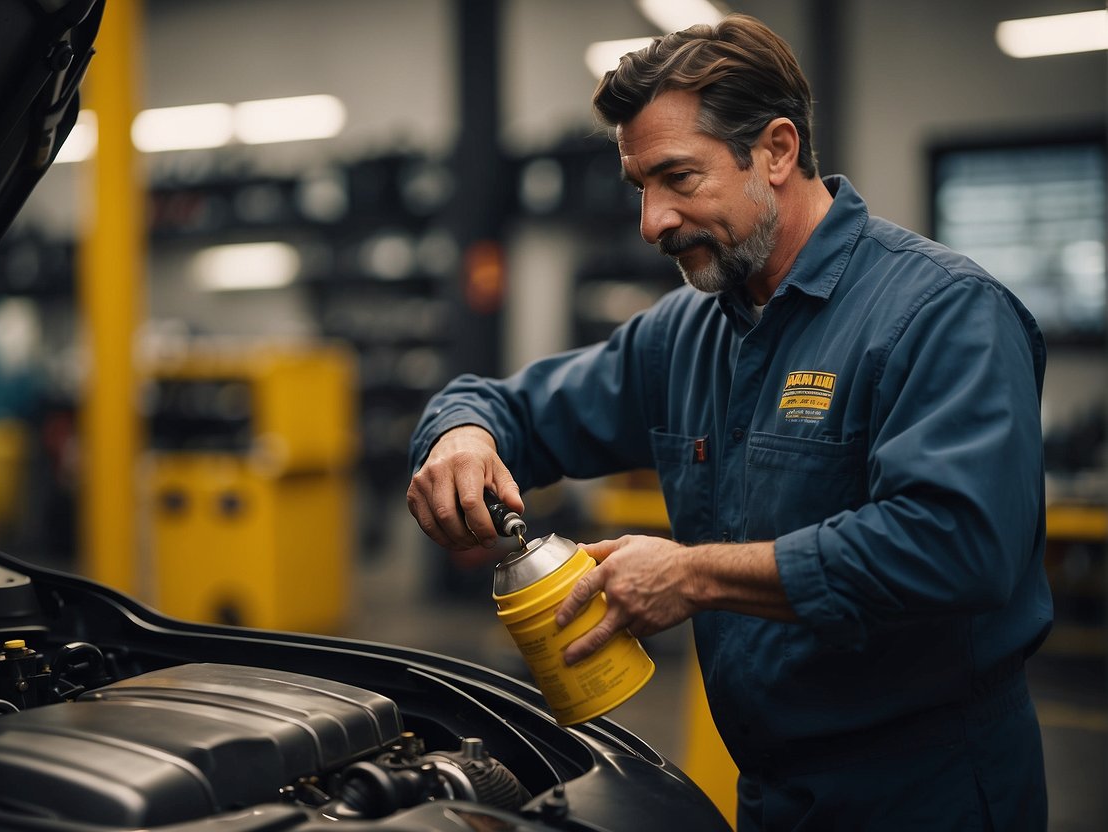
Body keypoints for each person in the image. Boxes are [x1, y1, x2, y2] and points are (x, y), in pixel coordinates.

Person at [407, 13, 1051, 831]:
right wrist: (463, 432)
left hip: (929, 794)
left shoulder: (941, 313)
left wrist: (692, 574)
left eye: (679, 178)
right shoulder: (685, 333)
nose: (653, 222)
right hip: (770, 790)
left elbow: (956, 545)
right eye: (640, 186)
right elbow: (508, 406)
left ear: (776, 151)